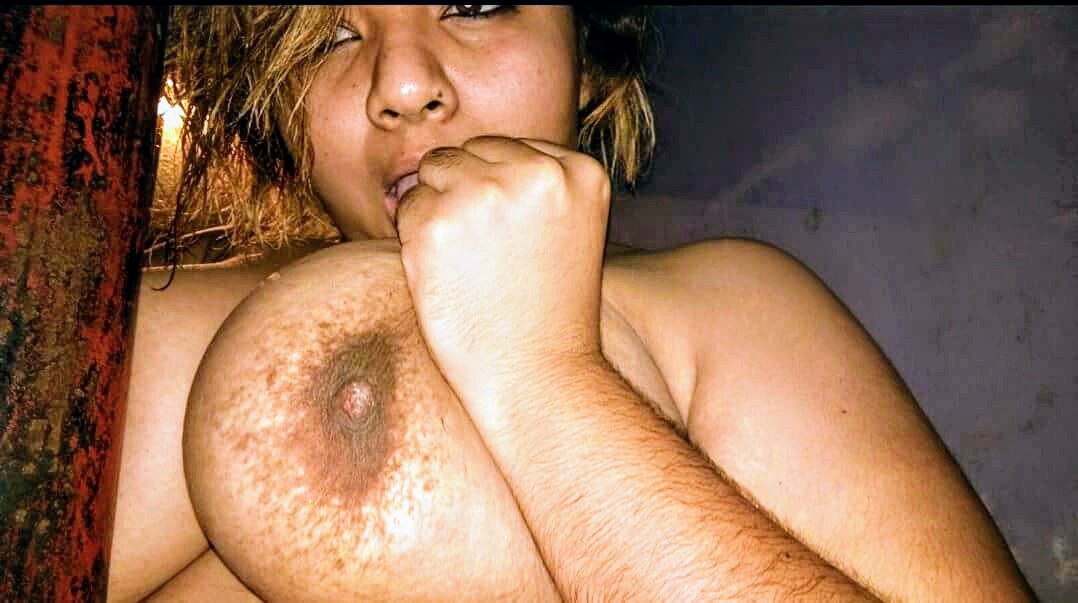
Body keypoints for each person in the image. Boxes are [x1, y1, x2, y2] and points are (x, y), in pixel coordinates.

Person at [108, 5, 1036, 602]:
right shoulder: (140, 319)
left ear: (588, 58)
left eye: (476, 2)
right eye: (330, 35)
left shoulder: (719, 310)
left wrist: (543, 372)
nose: (401, 86)